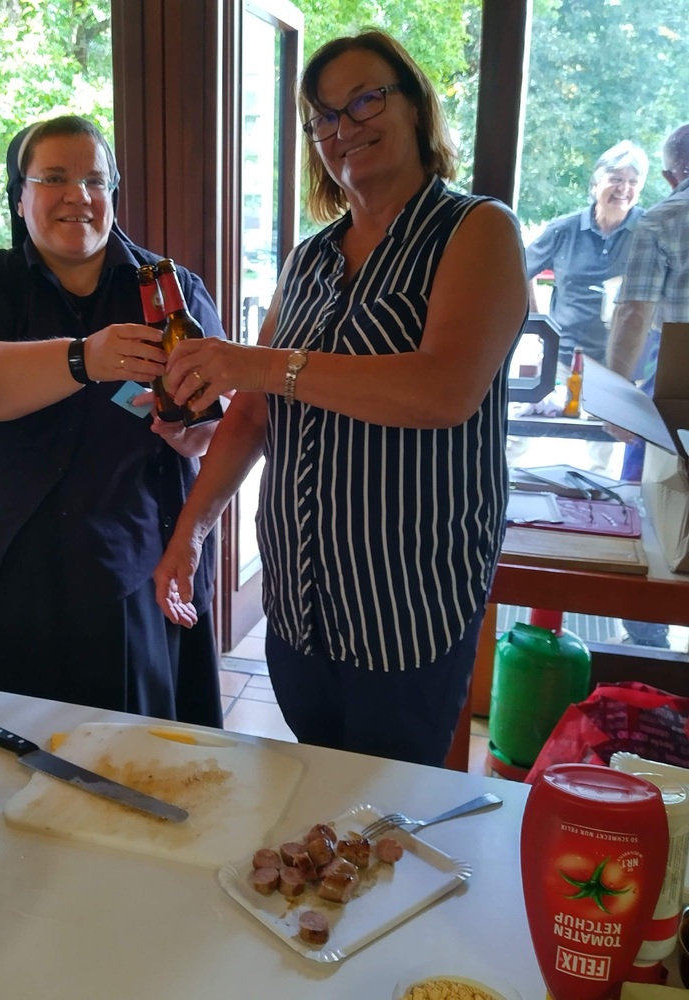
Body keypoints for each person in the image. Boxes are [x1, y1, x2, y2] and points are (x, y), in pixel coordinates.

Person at [153, 31, 528, 767]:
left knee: (387, 810)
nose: (343, 127)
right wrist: (190, 534)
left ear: (415, 106)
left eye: (365, 100)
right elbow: (253, 412)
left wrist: (262, 363)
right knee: (318, 792)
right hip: (300, 607)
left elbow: (443, 391)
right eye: (323, 117)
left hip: (408, 608)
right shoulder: (309, 258)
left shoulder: (476, 229)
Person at [0, 114, 226, 726]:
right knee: (5, 752)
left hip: (132, 566)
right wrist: (83, 357)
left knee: (136, 757)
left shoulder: (170, 289)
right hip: (6, 568)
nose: (79, 196)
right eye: (54, 178)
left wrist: (186, 430)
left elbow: (215, 430)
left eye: (95, 180)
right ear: (20, 197)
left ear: (113, 193)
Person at [605, 123, 689, 649]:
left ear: (670, 175)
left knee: (645, 517)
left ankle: (647, 653)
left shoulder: (664, 219)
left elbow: (635, 313)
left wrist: (617, 402)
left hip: (679, 383)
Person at [525, 140, 648, 370]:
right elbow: (519, 270)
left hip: (628, 363)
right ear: (596, 183)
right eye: (616, 179)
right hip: (565, 358)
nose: (624, 189)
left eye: (633, 182)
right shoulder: (564, 229)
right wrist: (537, 322)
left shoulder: (649, 232)